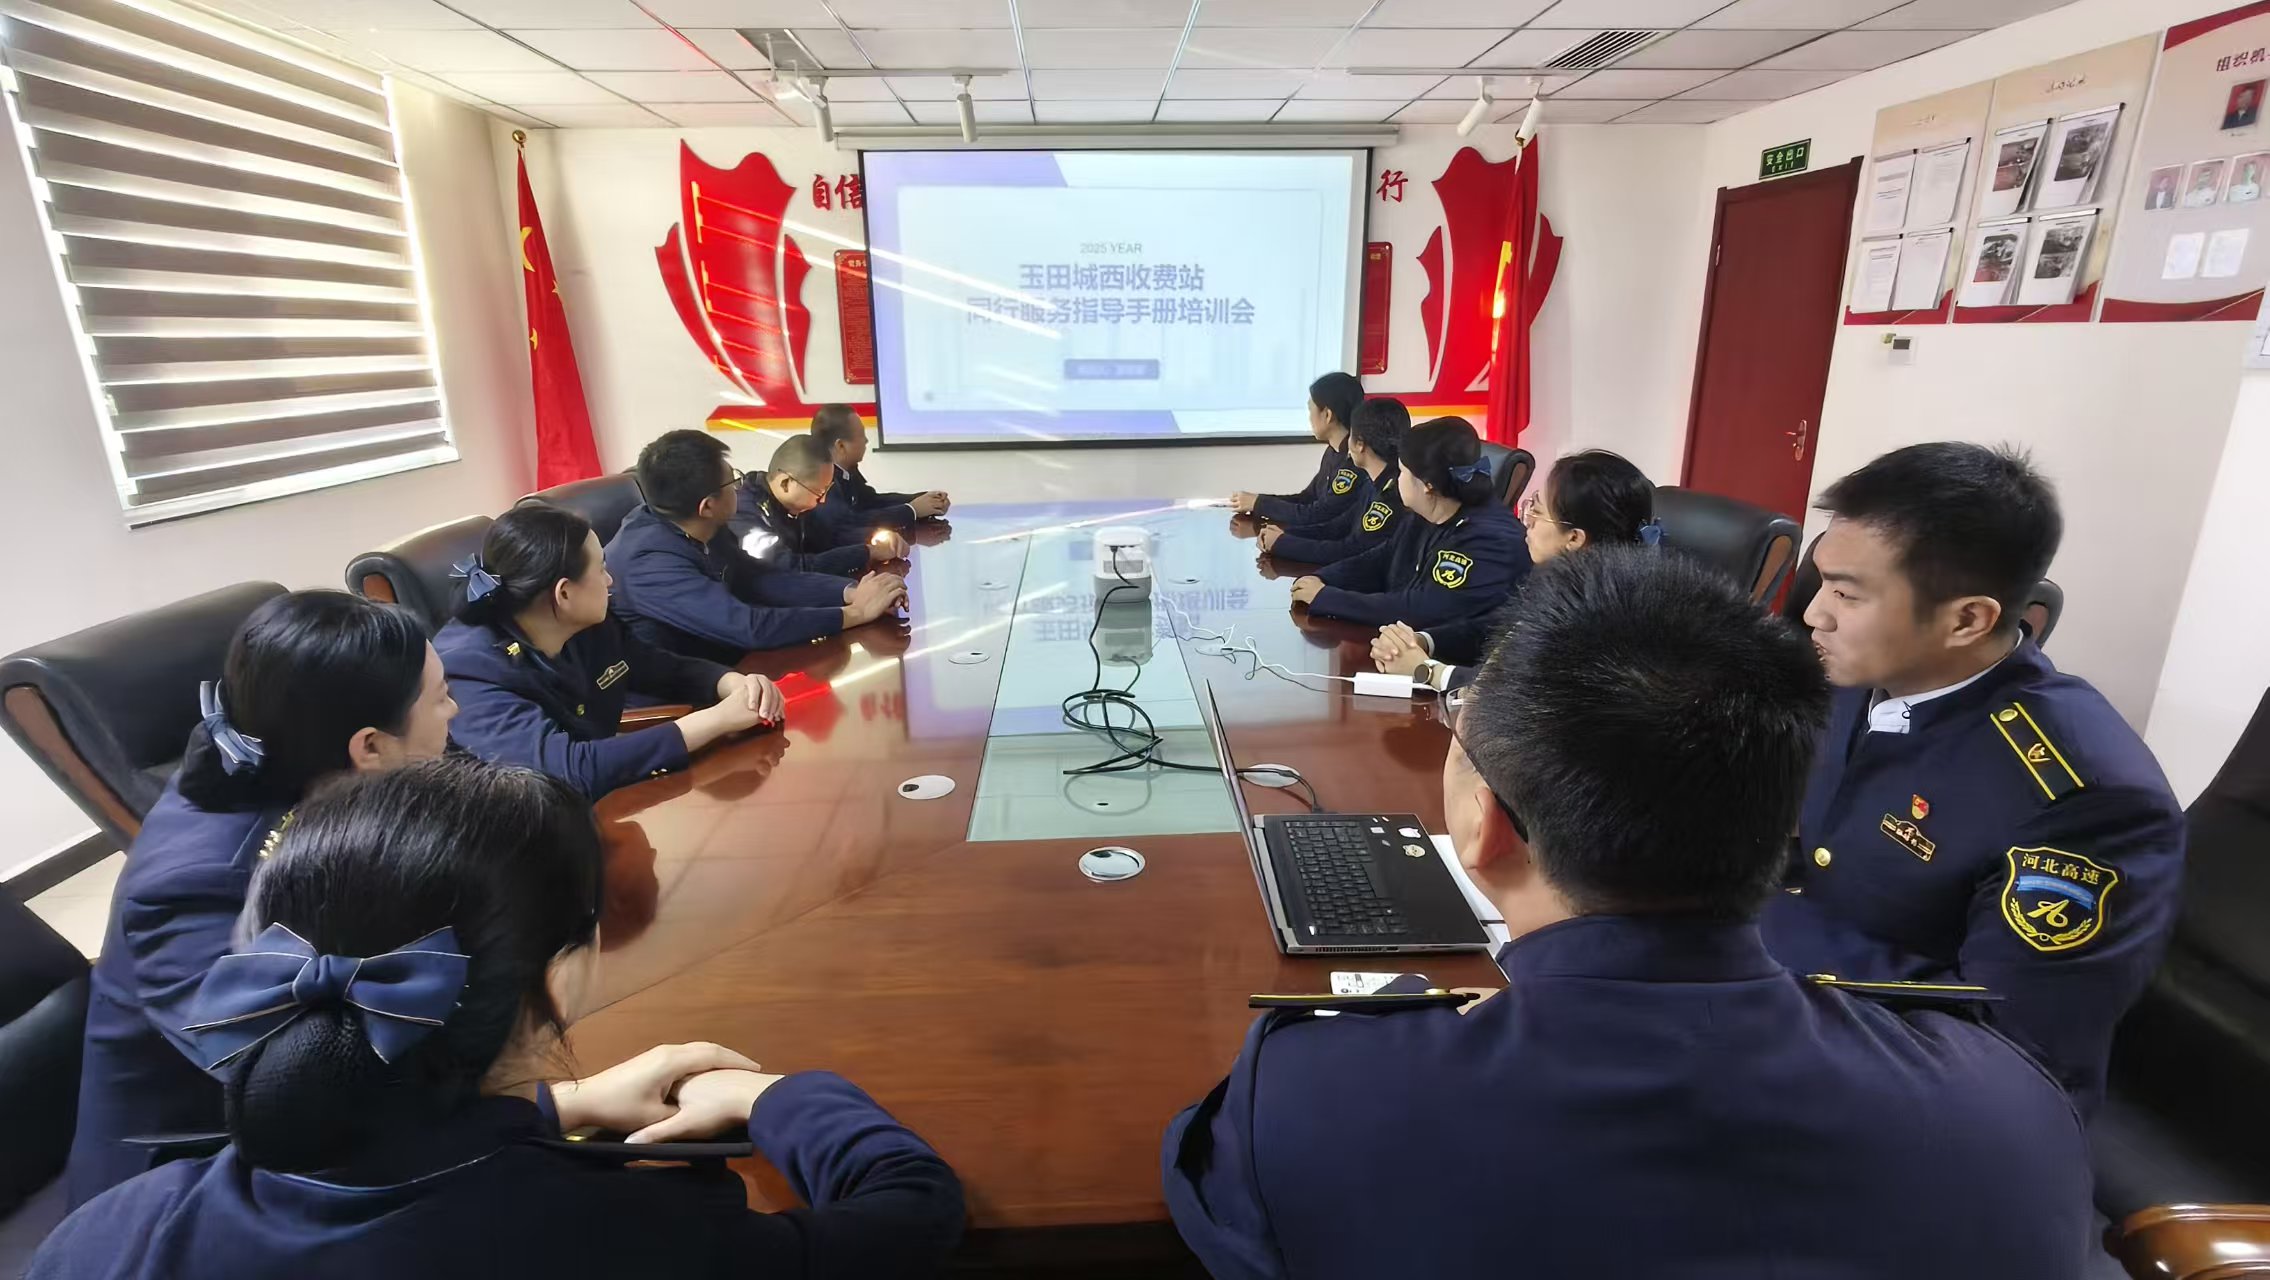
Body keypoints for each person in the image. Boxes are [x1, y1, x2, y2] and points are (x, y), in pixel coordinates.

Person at [1162, 547, 2093, 1279]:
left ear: (1483, 825)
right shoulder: (2006, 1109)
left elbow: (1212, 1199)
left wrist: (1426, 1039)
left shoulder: (1314, 1097)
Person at [33, 756, 965, 1278]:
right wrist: (776, 1097)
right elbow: (909, 1216)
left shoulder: (111, 1234)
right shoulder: (628, 1237)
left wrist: (562, 1104)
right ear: (561, 978)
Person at [1761, 442, 2183, 1107]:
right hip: (1819, 1015)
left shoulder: (2082, 796)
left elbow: (2007, 1041)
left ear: (1966, 619)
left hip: (1935, 1094)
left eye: (1845, 593)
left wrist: (1755, 933)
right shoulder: (1864, 679)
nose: (1815, 613)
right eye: (1822, 583)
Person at [63, 591, 456, 1207]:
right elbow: (296, 1077)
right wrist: (547, 1101)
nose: (455, 710)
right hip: (195, 1174)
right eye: (441, 698)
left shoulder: (305, 756)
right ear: (370, 747)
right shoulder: (194, 887)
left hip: (342, 1073)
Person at [437, 502, 786, 799]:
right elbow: (568, 770)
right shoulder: (470, 671)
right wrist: (718, 720)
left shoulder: (583, 623)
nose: (610, 581)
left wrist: (730, 682)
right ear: (564, 594)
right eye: (601, 569)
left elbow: (654, 665)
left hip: (592, 808)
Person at [607, 429, 906, 665]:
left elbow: (762, 578)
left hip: (734, 666)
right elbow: (747, 627)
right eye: (732, 482)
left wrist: (851, 592)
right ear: (707, 506)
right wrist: (856, 613)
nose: (740, 488)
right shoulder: (649, 563)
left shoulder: (702, 526)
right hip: (686, 697)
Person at [1372, 448, 1656, 690]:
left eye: (1538, 511)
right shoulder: (1568, 579)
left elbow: (1514, 692)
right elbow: (1501, 627)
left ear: (1574, 538)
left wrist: (1424, 670)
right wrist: (1425, 641)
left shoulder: (1597, 618)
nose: (1527, 519)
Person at [1287, 415, 1528, 628]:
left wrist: (1328, 599)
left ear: (1427, 486)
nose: (1397, 479)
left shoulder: (1489, 540)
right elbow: (1383, 557)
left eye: (1402, 472)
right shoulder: (1429, 510)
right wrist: (1324, 579)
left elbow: (1420, 609)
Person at [1256, 396, 1409, 566]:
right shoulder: (1372, 483)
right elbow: (1338, 526)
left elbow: (1349, 550)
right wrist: (1286, 534)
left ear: (1359, 444)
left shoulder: (1391, 496)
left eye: (1351, 435)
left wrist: (1283, 543)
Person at [732, 434, 907, 579]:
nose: (822, 501)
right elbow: (791, 569)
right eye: (818, 492)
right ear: (785, 483)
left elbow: (827, 535)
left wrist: (875, 536)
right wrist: (867, 553)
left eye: (826, 491)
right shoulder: (744, 512)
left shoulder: (794, 504)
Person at [1231, 372, 1365, 526]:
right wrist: (1256, 502)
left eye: (1311, 410)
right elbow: (1307, 498)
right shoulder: (1332, 452)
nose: (1309, 418)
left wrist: (1259, 503)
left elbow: (1318, 514)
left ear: (1328, 415)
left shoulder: (1354, 461)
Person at [805, 404, 947, 549]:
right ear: (841, 446)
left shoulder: (847, 471)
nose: (866, 441)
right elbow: (851, 522)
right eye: (861, 435)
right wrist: (912, 510)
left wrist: (924, 499)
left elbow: (872, 501)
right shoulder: (824, 482)